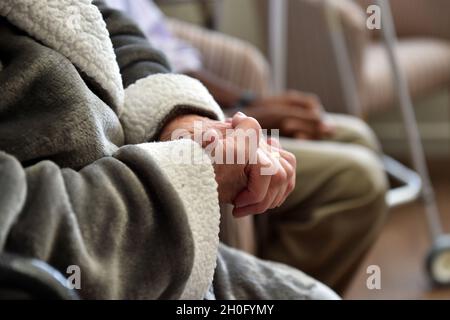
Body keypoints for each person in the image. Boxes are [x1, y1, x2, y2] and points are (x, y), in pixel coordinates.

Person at [0, 0, 339, 299]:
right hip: (82, 266)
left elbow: (92, 25)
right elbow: (21, 222)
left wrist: (182, 119)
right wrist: (181, 172)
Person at [104, 0, 389, 293]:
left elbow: (149, 55)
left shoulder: (113, 16)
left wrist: (246, 103)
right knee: (356, 177)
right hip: (159, 123)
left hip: (188, 101)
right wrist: (224, 120)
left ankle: (270, 277)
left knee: (356, 136)